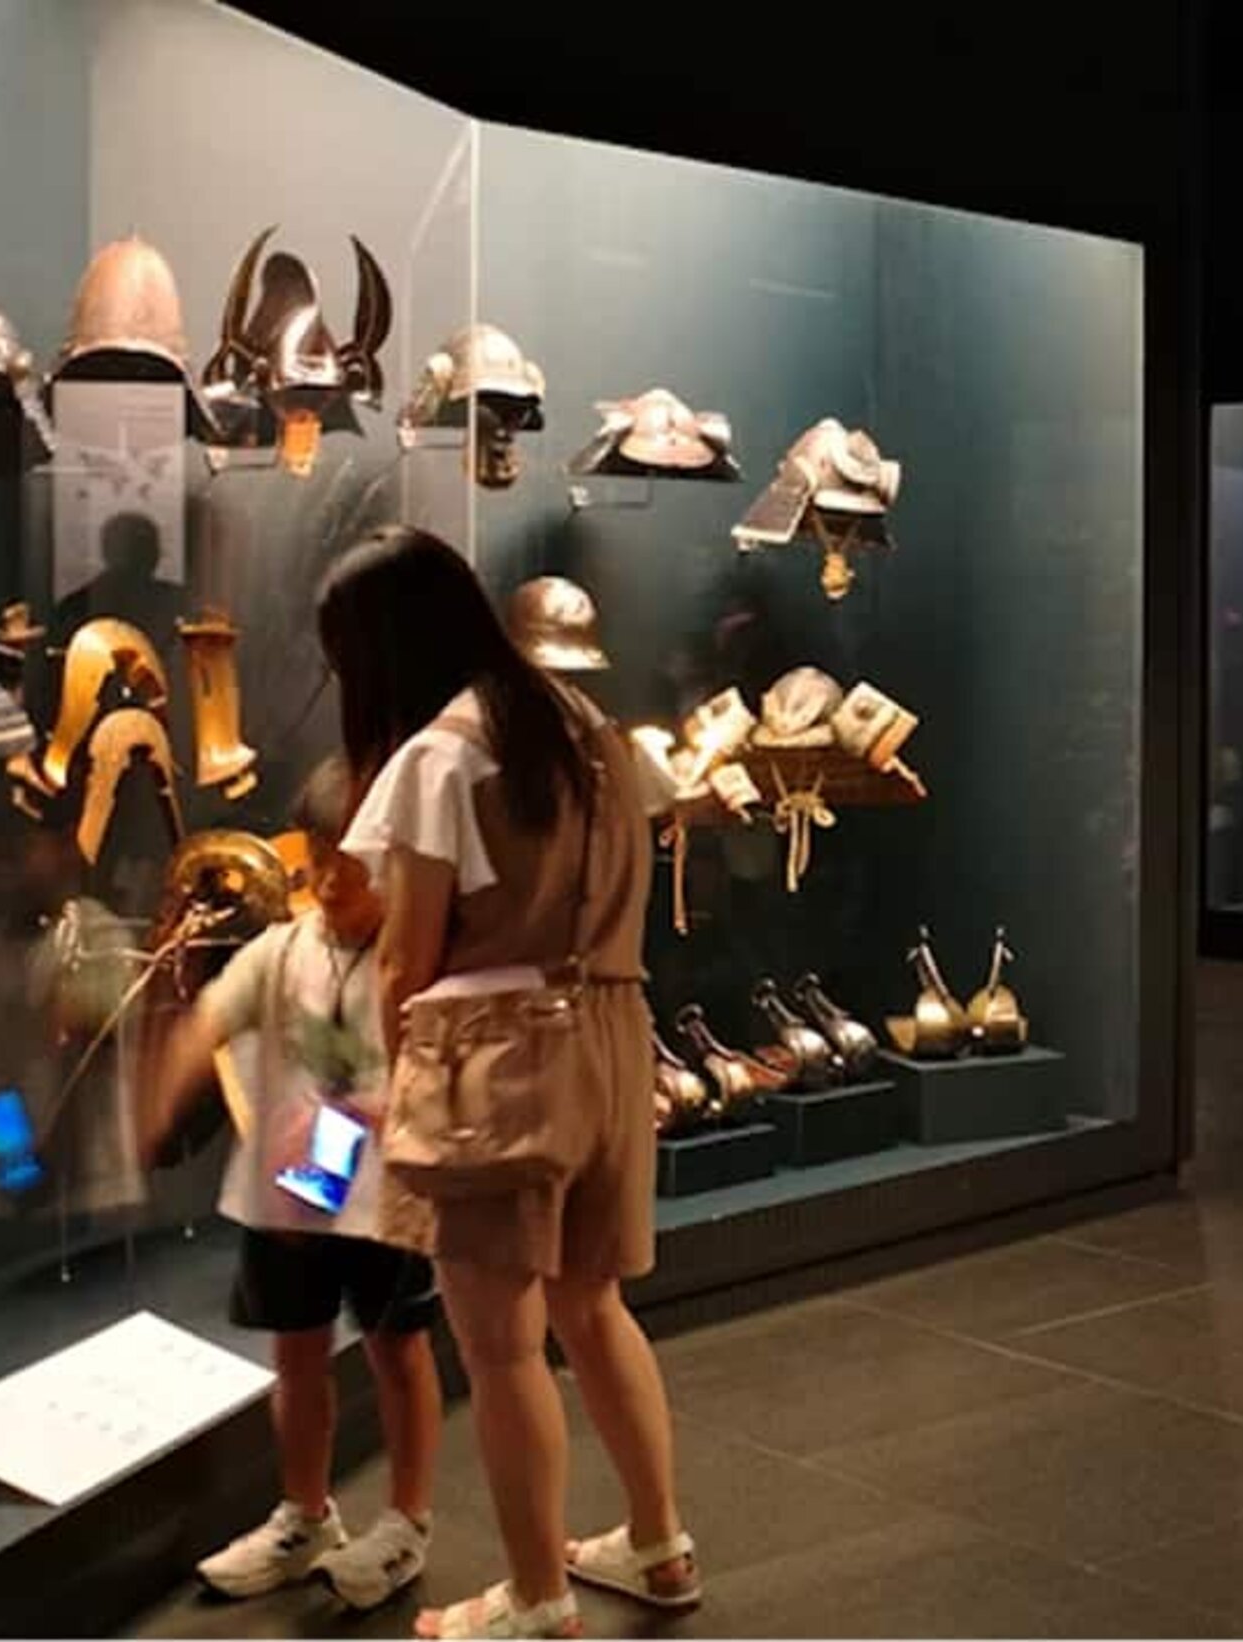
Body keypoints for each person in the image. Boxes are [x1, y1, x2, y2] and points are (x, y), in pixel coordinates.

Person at [317, 526, 695, 1640]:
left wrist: (394, 1088)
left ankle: (536, 1599)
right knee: (593, 1304)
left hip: (494, 1059)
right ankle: (658, 1544)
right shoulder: (587, 727)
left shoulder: (442, 754)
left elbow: (407, 959)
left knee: (501, 1344)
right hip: (612, 1035)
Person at [141, 759, 444, 1611]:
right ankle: (305, 1514)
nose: (333, 880)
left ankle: (407, 1521)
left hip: (385, 1201)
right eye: (320, 857)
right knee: (297, 1354)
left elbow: (426, 1074)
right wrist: (160, 1097)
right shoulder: (281, 951)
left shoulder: (415, 959)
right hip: (289, 1198)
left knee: (398, 1351)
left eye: (355, 860)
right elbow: (211, 1017)